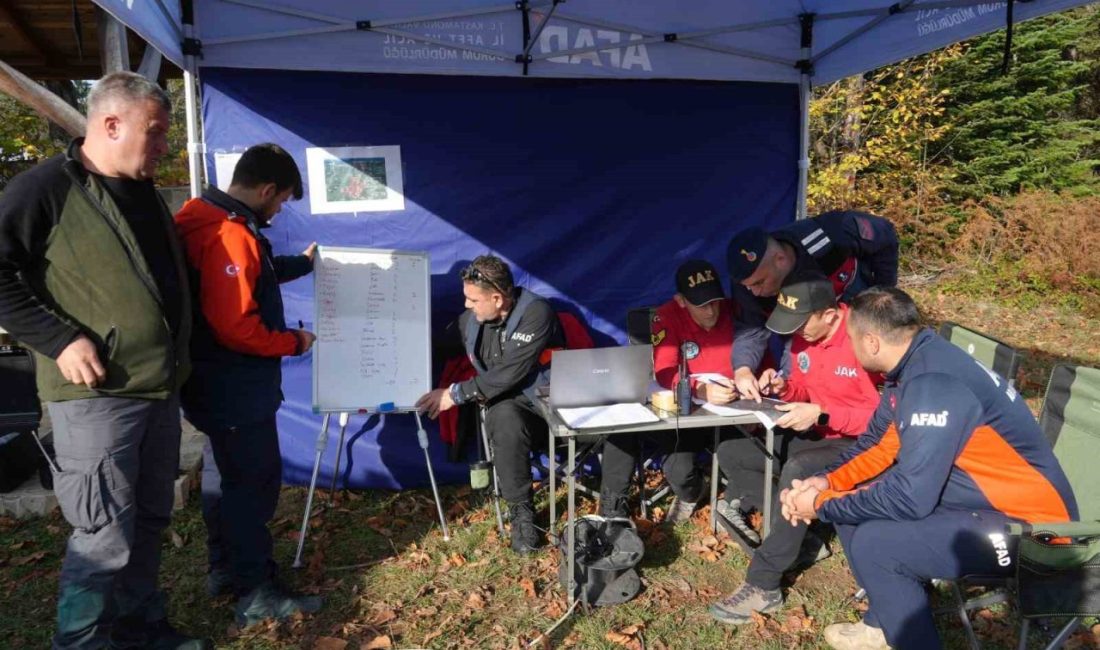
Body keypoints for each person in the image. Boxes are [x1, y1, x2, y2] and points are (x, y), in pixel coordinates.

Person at [0, 72, 206, 649]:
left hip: (157, 390)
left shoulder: (144, 195)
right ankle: (83, 643)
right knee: (103, 532)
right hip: (96, 398)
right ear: (111, 124)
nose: (165, 145)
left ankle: (142, 630)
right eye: (157, 132)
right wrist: (59, 338)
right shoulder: (42, 189)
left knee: (147, 522)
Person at [778, 287, 1078, 650]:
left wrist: (822, 504)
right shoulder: (912, 365)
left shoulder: (933, 384)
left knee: (878, 545)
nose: (850, 346)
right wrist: (822, 481)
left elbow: (911, 498)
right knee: (851, 507)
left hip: (1038, 531)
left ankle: (899, 629)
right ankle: (886, 620)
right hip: (982, 499)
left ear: (871, 342)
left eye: (852, 337)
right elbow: (876, 444)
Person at [174, 143, 322, 627]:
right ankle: (257, 591)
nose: (279, 211)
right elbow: (236, 325)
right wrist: (293, 341)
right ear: (265, 190)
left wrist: (300, 264)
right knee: (251, 488)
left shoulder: (201, 217)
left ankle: (225, 571)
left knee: (223, 482)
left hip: (210, 385)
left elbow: (246, 279)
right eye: (280, 201)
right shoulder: (229, 234)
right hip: (236, 388)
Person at [708, 271, 882, 625]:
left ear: (831, 315)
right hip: (818, 429)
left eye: (801, 323)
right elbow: (803, 385)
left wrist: (823, 415)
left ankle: (764, 583)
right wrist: (783, 387)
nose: (796, 332)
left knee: (799, 468)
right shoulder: (804, 336)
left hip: (863, 442)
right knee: (732, 451)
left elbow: (889, 419)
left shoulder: (867, 340)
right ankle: (802, 534)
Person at [416, 255, 564, 554]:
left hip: (553, 409)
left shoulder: (536, 313)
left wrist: (454, 394)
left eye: (472, 299)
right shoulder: (472, 321)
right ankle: (522, 514)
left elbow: (510, 373)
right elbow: (434, 344)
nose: (467, 305)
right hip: (515, 414)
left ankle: (614, 514)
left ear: (497, 298)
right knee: (503, 416)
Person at [598, 260, 738, 521]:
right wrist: (700, 389)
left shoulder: (735, 310)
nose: (711, 311)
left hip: (733, 410)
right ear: (681, 301)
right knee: (677, 468)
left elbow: (756, 353)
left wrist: (753, 375)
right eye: (702, 305)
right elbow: (664, 370)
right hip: (686, 411)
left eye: (715, 302)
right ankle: (691, 492)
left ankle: (736, 502)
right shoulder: (667, 315)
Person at [725, 210, 898, 401]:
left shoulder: (829, 233)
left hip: (860, 315)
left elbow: (885, 235)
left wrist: (883, 295)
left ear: (780, 259)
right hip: (802, 337)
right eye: (748, 287)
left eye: (759, 283)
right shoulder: (747, 282)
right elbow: (751, 330)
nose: (754, 292)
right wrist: (743, 370)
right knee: (793, 388)